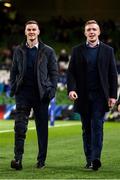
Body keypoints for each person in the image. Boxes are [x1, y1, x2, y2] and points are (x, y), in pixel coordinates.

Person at [67, 20, 118, 171]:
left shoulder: (108, 50)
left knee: (97, 126)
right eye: (88, 29)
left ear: (99, 32)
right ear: (85, 33)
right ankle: (89, 159)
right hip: (82, 96)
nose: (91, 32)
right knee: (86, 129)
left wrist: (113, 96)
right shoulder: (77, 50)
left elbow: (112, 75)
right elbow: (71, 72)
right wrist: (71, 89)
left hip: (100, 96)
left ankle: (96, 159)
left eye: (94, 29)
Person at [10, 20, 58, 170]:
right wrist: (14, 87)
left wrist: (51, 91)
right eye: (28, 29)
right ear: (25, 32)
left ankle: (41, 160)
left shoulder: (48, 51)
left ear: (38, 32)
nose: (31, 32)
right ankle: (18, 159)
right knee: (19, 127)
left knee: (42, 128)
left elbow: (54, 73)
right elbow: (13, 71)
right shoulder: (18, 50)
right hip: (23, 94)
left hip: (41, 95)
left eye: (33, 29)